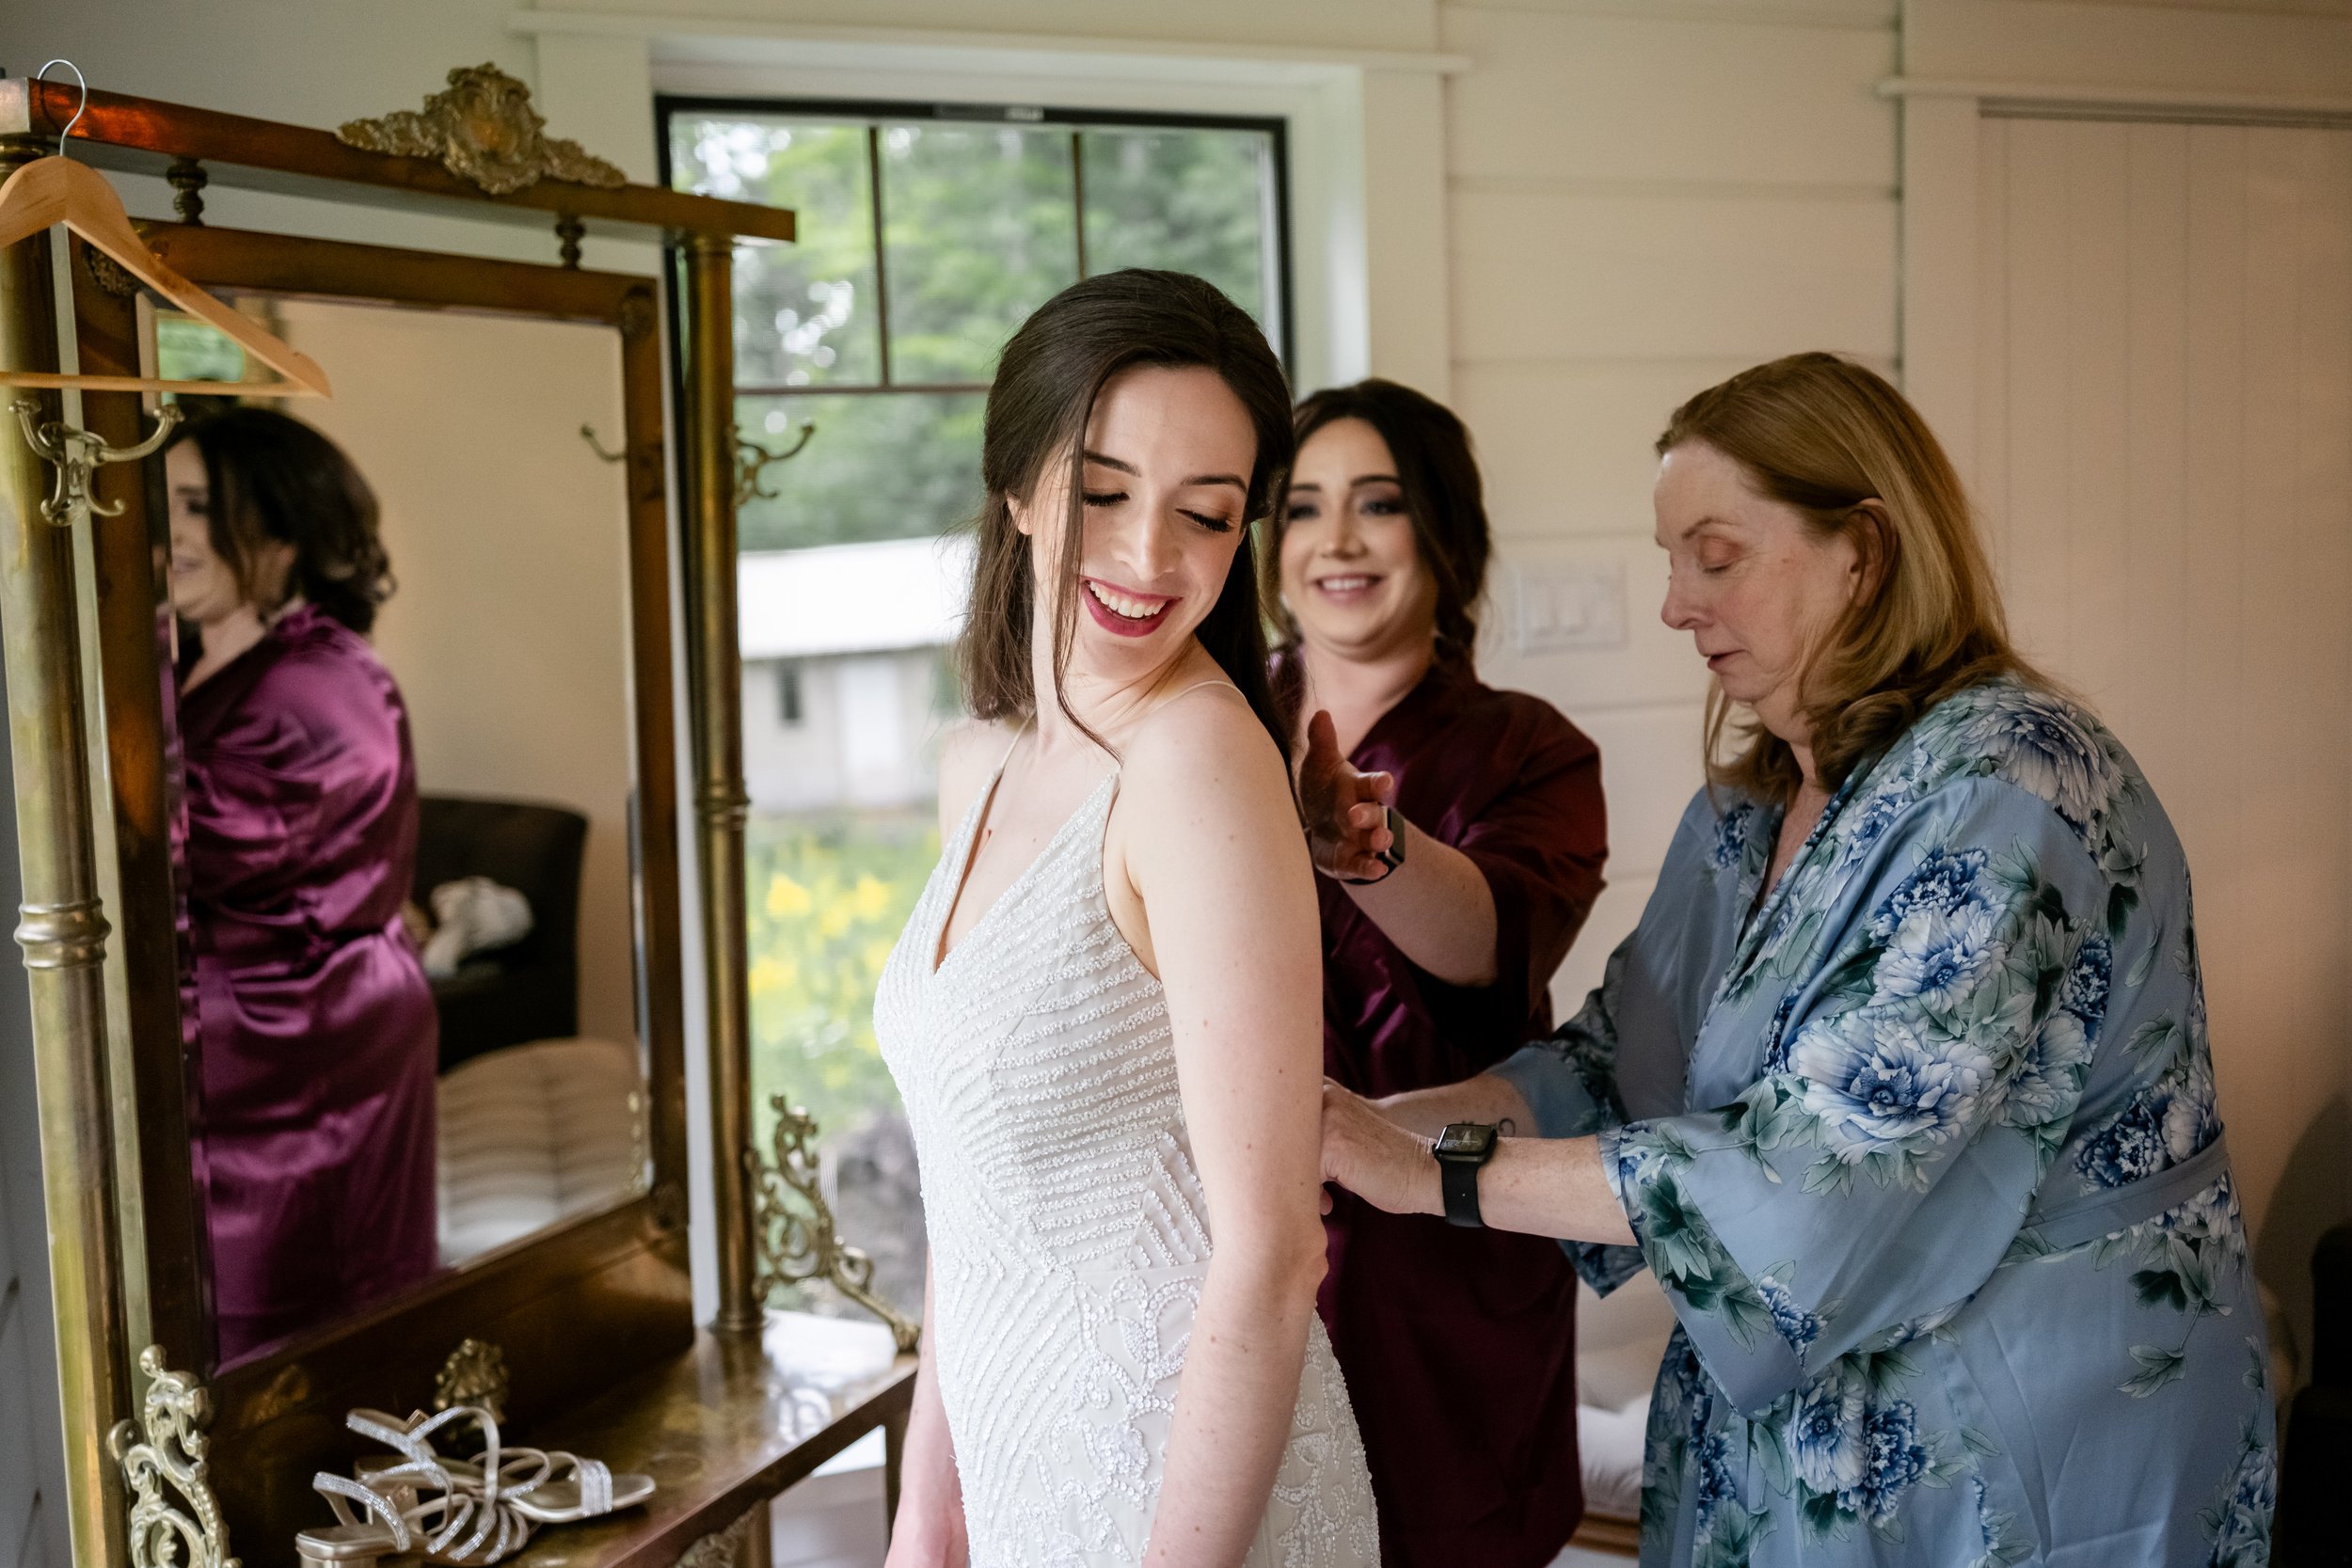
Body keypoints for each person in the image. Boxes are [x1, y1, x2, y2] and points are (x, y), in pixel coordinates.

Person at [1319, 354, 2274, 1566]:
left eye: (1714, 557)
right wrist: (1363, 1123)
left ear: (1862, 552)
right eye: (1671, 559)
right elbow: (1610, 1067)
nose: (1675, 603)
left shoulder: (2013, 786)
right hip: (1807, 1442)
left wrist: (1431, 1173)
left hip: (2029, 1440)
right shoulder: (1749, 810)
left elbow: (1816, 1175)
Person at [874, 270, 1378, 1567]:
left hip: (1183, 1494)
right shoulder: (980, 761)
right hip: (1019, 1459)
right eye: (1104, 492)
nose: (1150, 557)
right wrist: (927, 1516)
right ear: (1020, 484)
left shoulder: (1198, 763)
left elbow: (1271, 1252)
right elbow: (969, 1205)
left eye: (1206, 516)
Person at [1276, 379, 1606, 1565]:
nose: (1338, 540)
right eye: (1302, 507)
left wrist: (1366, 843)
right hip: (1242, 1252)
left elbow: (1492, 947)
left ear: (1444, 534)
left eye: (1379, 503)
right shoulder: (1203, 729)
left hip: (1445, 1276)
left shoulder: (1533, 749)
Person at [166, 408, 438, 1366]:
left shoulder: (325, 682)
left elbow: (193, 838)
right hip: (249, 1063)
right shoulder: (207, 663)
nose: (172, 532)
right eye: (165, 505)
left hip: (305, 1066)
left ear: (282, 533)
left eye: (200, 506)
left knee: (305, 1339)